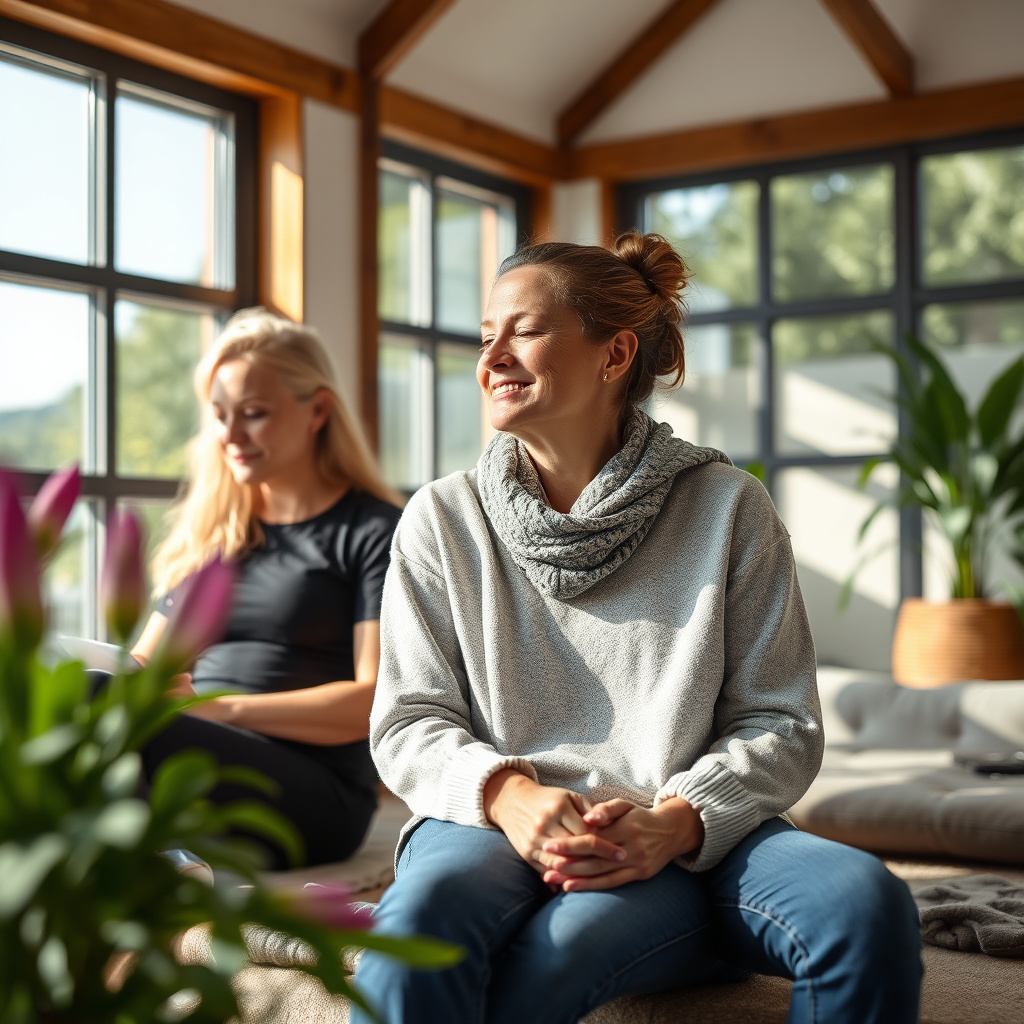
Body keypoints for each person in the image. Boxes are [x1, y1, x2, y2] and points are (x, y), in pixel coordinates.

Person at [354, 233, 923, 1023]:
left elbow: (781, 722)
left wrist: (675, 823)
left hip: (687, 838)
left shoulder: (729, 507)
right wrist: (511, 794)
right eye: (487, 336)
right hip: (493, 825)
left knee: (866, 903)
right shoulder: (442, 517)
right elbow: (410, 719)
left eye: (524, 330)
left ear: (614, 353)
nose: (494, 357)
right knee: (417, 930)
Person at [130, 308, 403, 870]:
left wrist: (220, 710)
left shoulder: (374, 531)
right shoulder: (217, 534)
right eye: (220, 415)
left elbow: (376, 700)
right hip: (200, 752)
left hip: (315, 792)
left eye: (253, 414)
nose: (230, 436)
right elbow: (143, 662)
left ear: (318, 411)